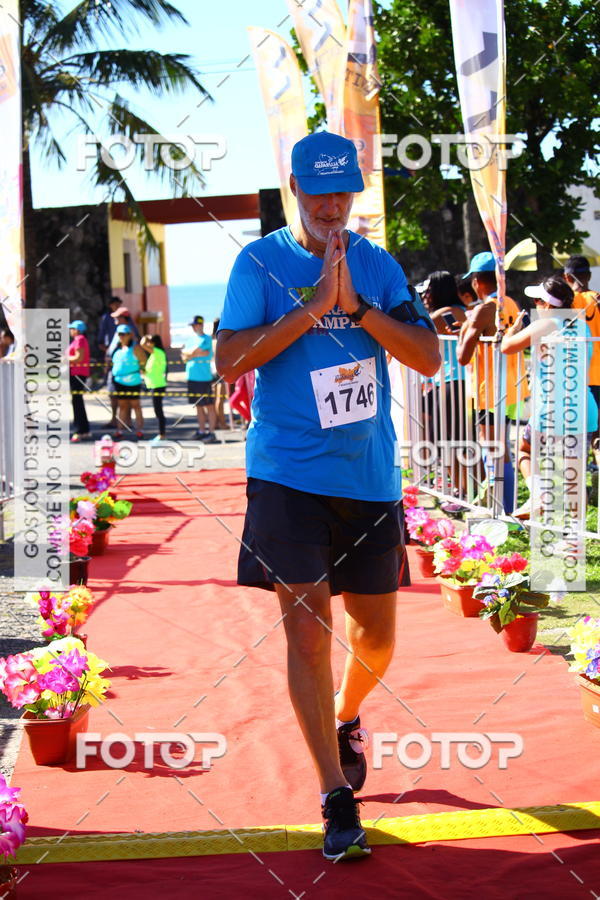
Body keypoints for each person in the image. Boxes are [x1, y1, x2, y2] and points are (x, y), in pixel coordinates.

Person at [216, 131, 440, 861]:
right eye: (319, 192)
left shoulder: (377, 264)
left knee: (376, 637)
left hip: (367, 477)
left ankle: (345, 717)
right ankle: (334, 797)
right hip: (286, 474)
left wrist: (359, 308)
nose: (332, 205)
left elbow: (429, 357)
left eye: (343, 191)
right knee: (309, 633)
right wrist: (314, 307)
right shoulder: (258, 261)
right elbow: (228, 361)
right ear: (294, 189)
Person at [501, 275, 598, 518]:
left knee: (524, 450)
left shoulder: (548, 323)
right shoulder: (581, 324)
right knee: (574, 476)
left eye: (537, 301)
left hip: (552, 409)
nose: (535, 305)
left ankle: (540, 496)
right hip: (584, 408)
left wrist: (510, 331)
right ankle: (575, 540)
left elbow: (507, 347)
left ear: (548, 304)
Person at [457, 252, 524, 514]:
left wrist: (465, 329)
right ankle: (505, 505)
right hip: (511, 387)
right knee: (501, 446)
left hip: (489, 389)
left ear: (476, 281)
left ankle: (501, 508)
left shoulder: (485, 309)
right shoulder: (510, 303)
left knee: (492, 445)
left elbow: (463, 356)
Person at [422, 271, 468, 499]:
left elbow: (419, 328)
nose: (425, 295)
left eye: (428, 290)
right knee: (448, 439)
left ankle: (464, 491)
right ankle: (462, 489)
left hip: (453, 380)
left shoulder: (447, 313)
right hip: (449, 381)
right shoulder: (456, 311)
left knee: (452, 440)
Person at [564, 256, 600, 412]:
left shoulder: (564, 301)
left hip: (571, 371)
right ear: (590, 276)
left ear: (566, 277)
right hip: (597, 372)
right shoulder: (597, 298)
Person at [182, 315, 218, 443]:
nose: (193, 327)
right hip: (192, 377)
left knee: (209, 405)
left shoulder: (206, 339)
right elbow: (184, 355)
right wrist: (194, 353)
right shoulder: (191, 339)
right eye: (192, 325)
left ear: (200, 325)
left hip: (204, 377)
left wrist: (192, 354)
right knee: (198, 406)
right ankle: (202, 430)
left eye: (194, 325)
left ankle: (212, 432)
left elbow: (191, 353)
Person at [105, 307, 140, 429]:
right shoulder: (117, 331)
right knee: (113, 395)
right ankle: (116, 419)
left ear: (124, 318)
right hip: (114, 369)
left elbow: (134, 351)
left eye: (117, 317)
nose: (115, 319)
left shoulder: (129, 331)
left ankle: (126, 421)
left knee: (125, 398)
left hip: (124, 371)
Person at [111, 324, 145, 439]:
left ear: (129, 335)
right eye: (120, 334)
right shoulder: (117, 348)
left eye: (124, 334)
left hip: (133, 381)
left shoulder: (135, 348)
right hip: (119, 382)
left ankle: (140, 430)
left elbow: (144, 362)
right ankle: (120, 431)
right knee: (123, 406)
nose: (122, 337)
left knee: (136, 405)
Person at [139, 334, 168, 442]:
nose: (148, 343)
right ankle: (162, 434)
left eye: (150, 341)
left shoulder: (157, 351)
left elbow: (142, 343)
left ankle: (162, 434)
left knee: (159, 411)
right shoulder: (155, 354)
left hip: (158, 385)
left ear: (154, 343)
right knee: (158, 411)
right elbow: (153, 369)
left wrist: (146, 336)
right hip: (154, 385)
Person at [68, 319, 91, 442]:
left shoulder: (80, 339)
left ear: (78, 330)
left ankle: (79, 430)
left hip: (78, 374)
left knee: (77, 402)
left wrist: (65, 358)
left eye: (72, 328)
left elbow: (79, 357)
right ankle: (84, 430)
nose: (70, 330)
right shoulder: (78, 340)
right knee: (77, 402)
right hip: (75, 373)